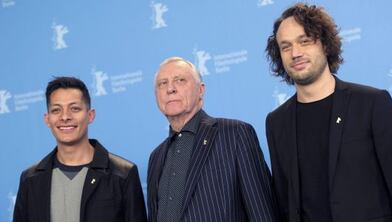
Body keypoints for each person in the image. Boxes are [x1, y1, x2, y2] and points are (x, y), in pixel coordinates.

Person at [265, 3, 392, 222]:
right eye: (285, 46)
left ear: (325, 45)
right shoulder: (276, 122)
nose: (295, 53)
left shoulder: (371, 104)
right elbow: (284, 203)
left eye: (304, 41)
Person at [147, 57, 276, 222]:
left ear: (200, 90)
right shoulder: (156, 157)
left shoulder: (235, 135)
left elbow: (262, 213)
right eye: (162, 83)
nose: (170, 88)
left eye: (180, 80)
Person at [13, 77, 147, 222]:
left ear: (90, 115)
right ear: (47, 119)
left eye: (74, 109)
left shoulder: (123, 174)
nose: (65, 117)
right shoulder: (30, 180)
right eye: (56, 110)